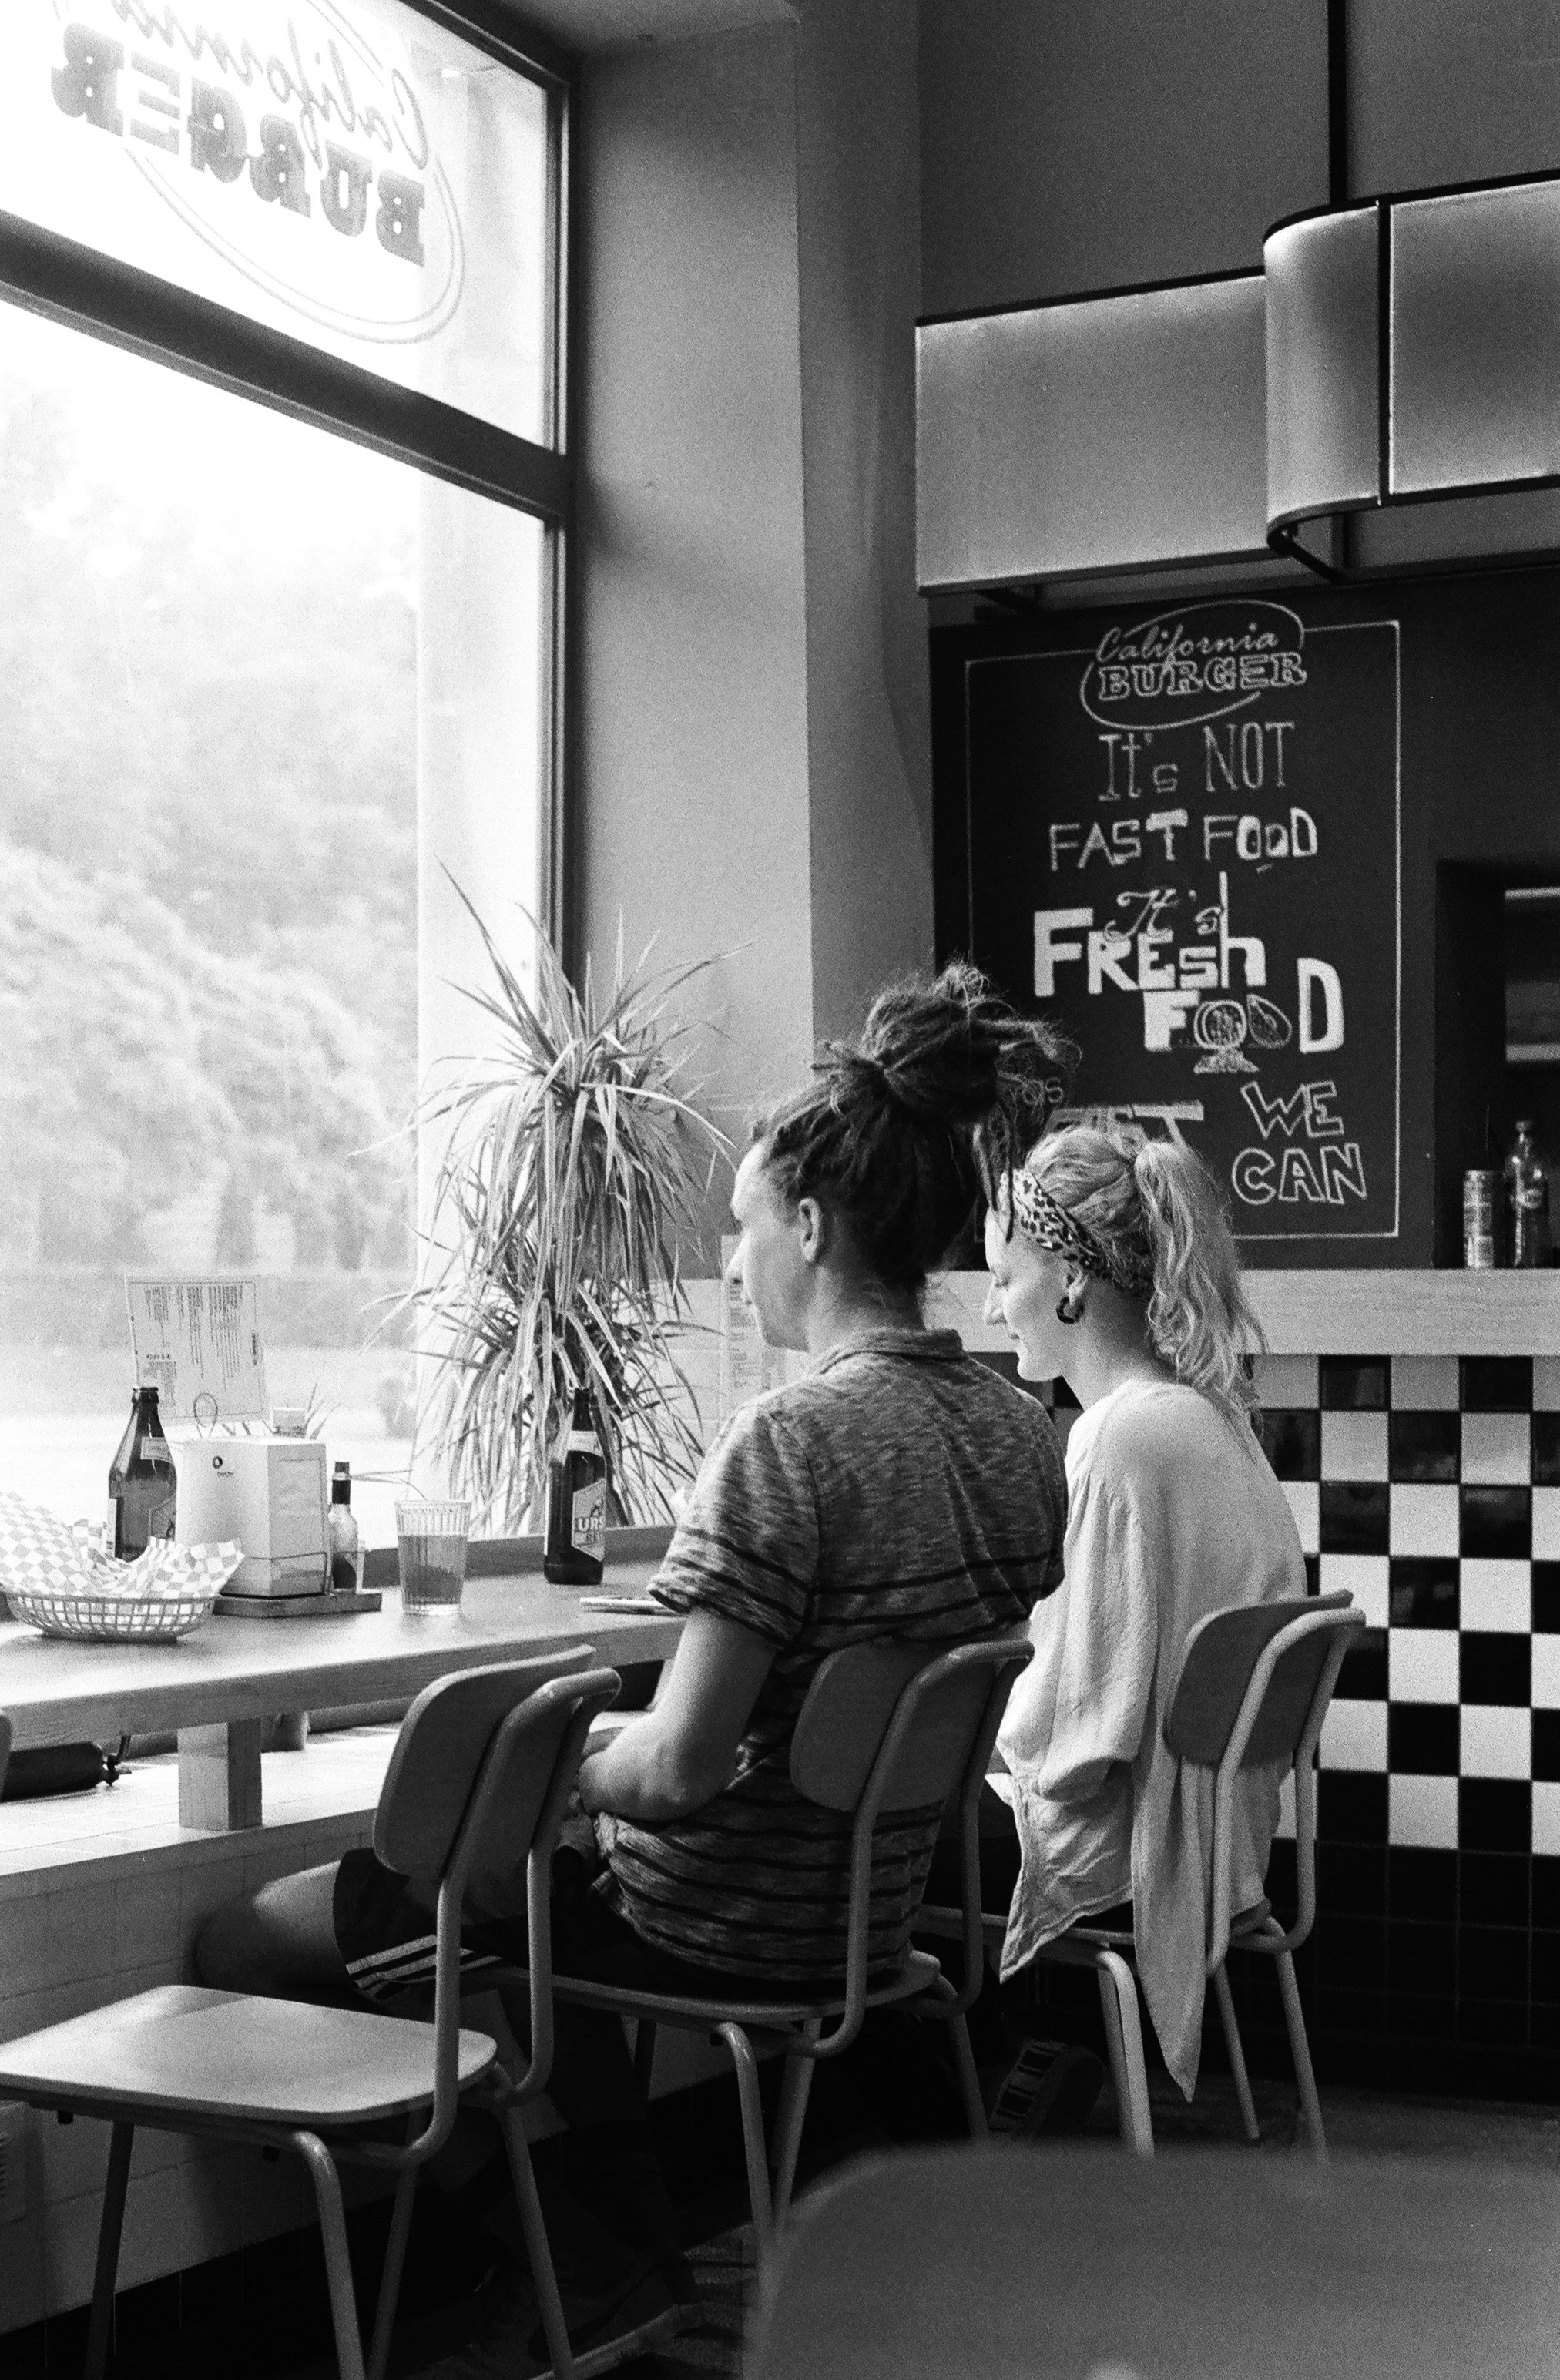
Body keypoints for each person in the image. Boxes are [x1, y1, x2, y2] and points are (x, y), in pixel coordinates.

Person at [195, 962, 1070, 2363]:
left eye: (735, 1229)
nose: (729, 1263)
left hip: (715, 1920)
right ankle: (623, 2255)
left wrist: (554, 1767)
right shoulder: (1017, 1426)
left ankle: (574, 2248)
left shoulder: (786, 1446)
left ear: (807, 1219)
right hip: (862, 1913)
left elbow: (669, 1772)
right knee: (529, 1883)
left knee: (257, 1939)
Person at [973, 1121, 1305, 2113]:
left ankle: (931, 2154)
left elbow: (1076, 1733)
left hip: (1141, 1842)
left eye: (1003, 1276)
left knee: (879, 1833)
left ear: (1071, 1282)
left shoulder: (1113, 1441)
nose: (994, 1306)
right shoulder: (1208, 1415)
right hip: (1225, 1831)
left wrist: (948, 1718)